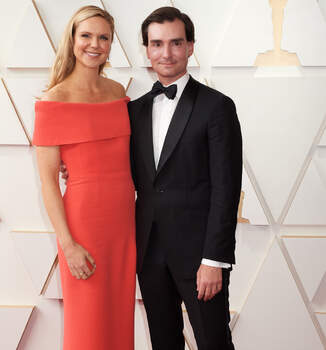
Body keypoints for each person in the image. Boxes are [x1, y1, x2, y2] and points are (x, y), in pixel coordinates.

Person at [128, 7, 242, 350]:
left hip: (200, 257)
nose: (167, 53)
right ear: (147, 49)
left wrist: (214, 260)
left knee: (213, 343)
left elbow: (226, 188)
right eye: (157, 44)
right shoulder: (132, 111)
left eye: (176, 43)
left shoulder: (217, 106)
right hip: (149, 253)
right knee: (164, 343)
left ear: (190, 46)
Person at [32, 6, 136, 350]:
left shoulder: (117, 91)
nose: (95, 44)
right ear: (72, 40)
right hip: (83, 226)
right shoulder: (54, 100)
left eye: (103, 37)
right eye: (86, 36)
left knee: (119, 317)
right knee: (87, 321)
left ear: (111, 44)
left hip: (123, 224)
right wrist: (68, 244)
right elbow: (48, 182)